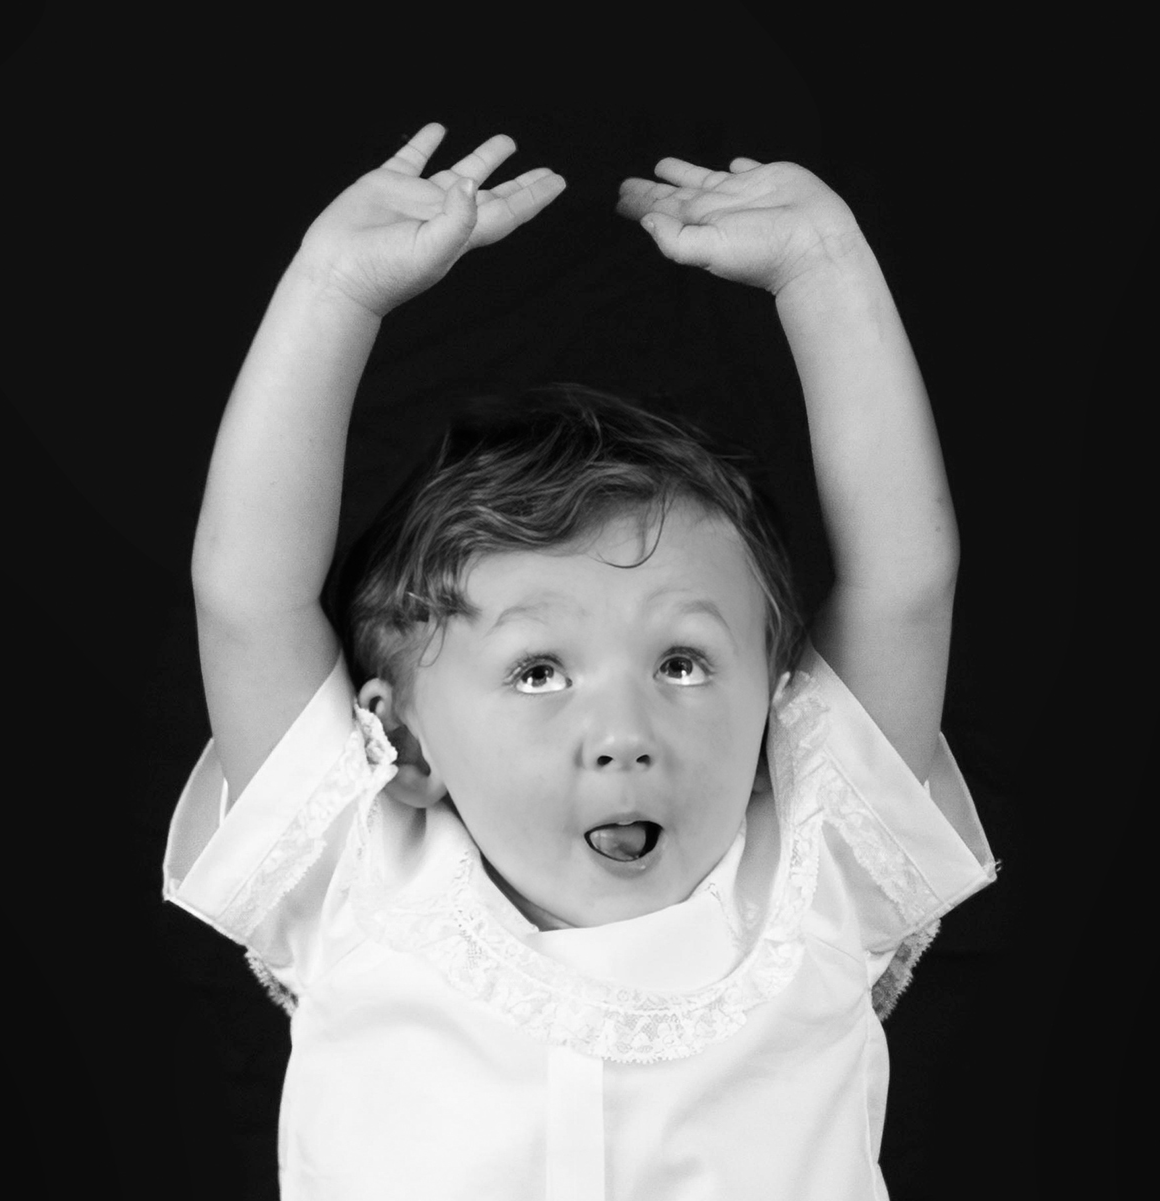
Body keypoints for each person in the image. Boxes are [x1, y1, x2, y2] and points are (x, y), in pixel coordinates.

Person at [164, 122, 996, 1199]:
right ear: (403, 738)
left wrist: (825, 273)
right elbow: (246, 596)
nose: (623, 733)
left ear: (774, 702)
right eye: (539, 671)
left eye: (684, 663)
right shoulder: (354, 877)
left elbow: (903, 585)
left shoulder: (817, 866)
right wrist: (335, 290)